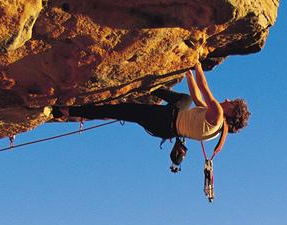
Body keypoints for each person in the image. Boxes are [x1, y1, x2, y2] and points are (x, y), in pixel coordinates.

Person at [53, 63, 250, 165]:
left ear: (231, 112)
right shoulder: (214, 130)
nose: (227, 100)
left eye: (231, 103)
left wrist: (196, 61)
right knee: (186, 100)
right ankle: (147, 86)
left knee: (121, 110)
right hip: (172, 120)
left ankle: (67, 111)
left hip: (165, 122)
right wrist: (189, 72)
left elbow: (203, 87)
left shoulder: (216, 116)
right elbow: (196, 96)